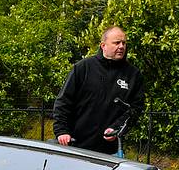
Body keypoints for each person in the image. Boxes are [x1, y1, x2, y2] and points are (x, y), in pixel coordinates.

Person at [53, 27, 144, 156]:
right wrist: (61, 131)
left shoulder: (133, 75)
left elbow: (135, 108)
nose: (121, 46)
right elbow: (63, 101)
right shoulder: (83, 68)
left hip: (110, 152)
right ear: (103, 45)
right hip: (75, 147)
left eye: (124, 43)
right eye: (116, 43)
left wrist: (116, 128)